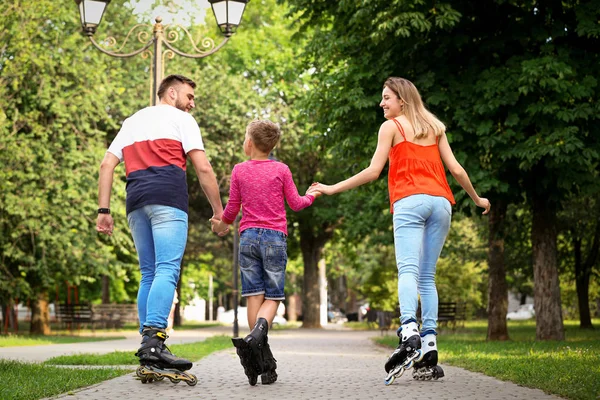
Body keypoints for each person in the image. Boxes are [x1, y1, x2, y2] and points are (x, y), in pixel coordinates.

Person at [312, 77, 490, 381]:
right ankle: (430, 344)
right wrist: (476, 198)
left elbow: (373, 171)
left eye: (386, 98)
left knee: (407, 271)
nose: (382, 103)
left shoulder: (391, 127)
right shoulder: (435, 128)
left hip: (410, 202)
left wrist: (330, 189)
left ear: (402, 101)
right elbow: (457, 169)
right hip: (442, 204)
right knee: (427, 275)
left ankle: (409, 333)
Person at [96, 74, 224, 383]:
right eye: (189, 96)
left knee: (149, 273)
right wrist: (219, 211)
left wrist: (103, 211)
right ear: (170, 93)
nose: (192, 103)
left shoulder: (132, 121)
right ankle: (154, 343)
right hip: (167, 200)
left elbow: (106, 165)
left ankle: (147, 343)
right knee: (167, 270)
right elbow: (203, 167)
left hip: (136, 203)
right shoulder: (181, 120)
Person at [211, 119, 319, 386]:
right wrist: (312, 195)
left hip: (247, 238)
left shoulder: (239, 170)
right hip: (274, 238)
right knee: (274, 297)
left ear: (249, 143)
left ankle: (259, 358)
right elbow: (296, 203)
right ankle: (256, 341)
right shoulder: (281, 169)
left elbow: (232, 209)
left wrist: (221, 224)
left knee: (253, 297)